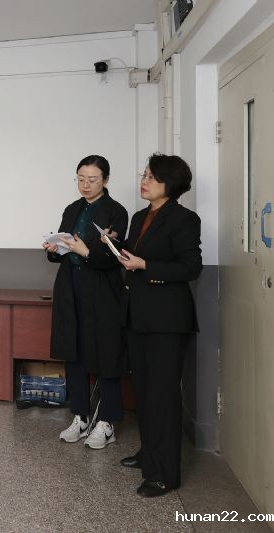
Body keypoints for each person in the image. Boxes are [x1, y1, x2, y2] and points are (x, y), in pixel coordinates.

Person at [117, 153, 202, 498]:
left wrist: (144, 266)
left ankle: (165, 474)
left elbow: (190, 267)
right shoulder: (140, 217)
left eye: (152, 177)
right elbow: (132, 255)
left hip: (167, 320)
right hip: (137, 316)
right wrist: (114, 245)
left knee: (163, 396)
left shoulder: (184, 219)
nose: (144, 181)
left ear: (170, 183)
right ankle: (148, 453)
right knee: (144, 391)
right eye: (144, 175)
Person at [44, 155, 128, 450]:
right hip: (71, 287)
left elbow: (115, 257)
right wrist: (54, 248)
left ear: (105, 180)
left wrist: (86, 252)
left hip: (102, 290)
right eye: (81, 179)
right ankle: (80, 416)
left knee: (107, 353)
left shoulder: (116, 211)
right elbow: (64, 250)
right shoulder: (72, 209)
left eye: (92, 179)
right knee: (74, 349)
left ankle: (107, 422)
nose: (85, 185)